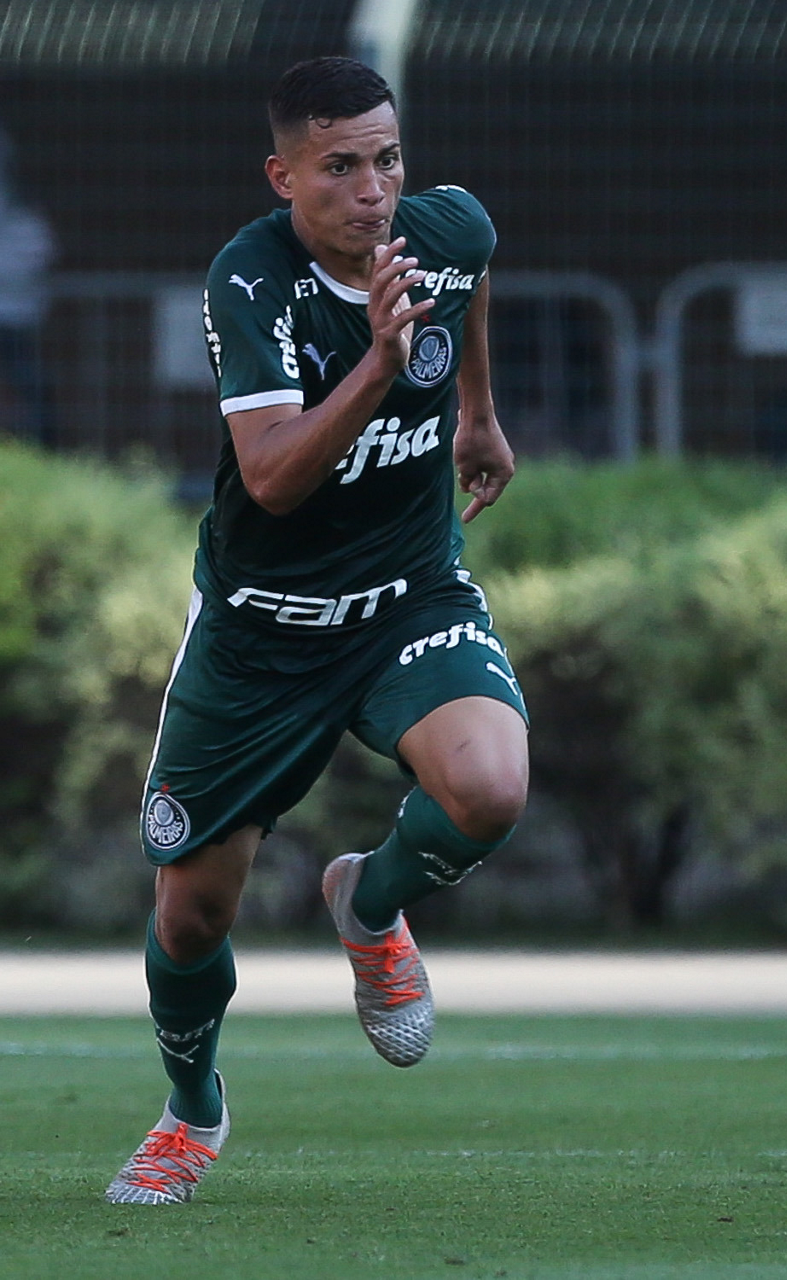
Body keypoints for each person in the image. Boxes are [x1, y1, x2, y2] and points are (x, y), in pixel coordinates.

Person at [105, 57, 529, 1205]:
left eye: (386, 159)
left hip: (407, 597)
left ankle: (370, 902)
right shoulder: (252, 280)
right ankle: (192, 1110)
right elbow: (273, 476)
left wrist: (476, 412)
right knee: (191, 913)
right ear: (282, 175)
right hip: (261, 633)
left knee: (489, 788)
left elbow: (473, 265)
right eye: (339, 166)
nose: (372, 189)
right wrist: (383, 366)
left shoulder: (443, 232)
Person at [0, 129, 55, 443]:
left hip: (15, 319)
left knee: (29, 386)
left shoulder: (25, 219)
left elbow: (38, 255)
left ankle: (44, 445)